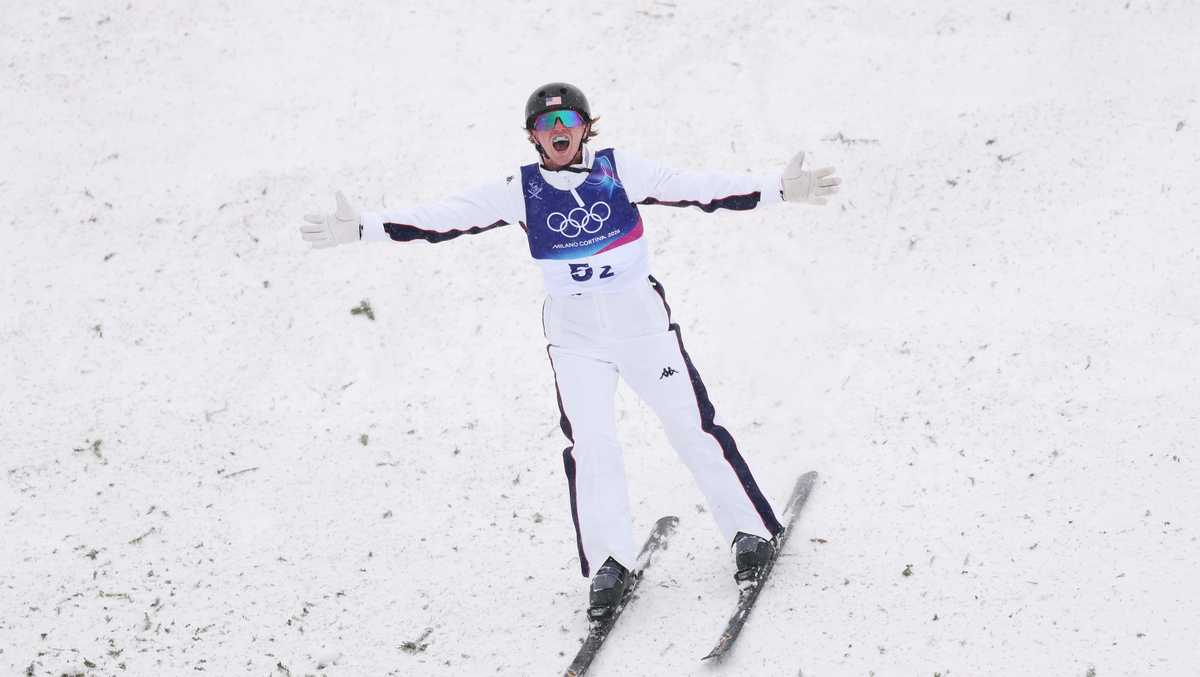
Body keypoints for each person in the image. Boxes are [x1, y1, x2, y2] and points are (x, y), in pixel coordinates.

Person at [299, 82, 840, 620]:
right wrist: (366, 227)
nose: (558, 133)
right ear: (533, 137)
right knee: (591, 445)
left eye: (567, 123)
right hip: (576, 337)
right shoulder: (520, 189)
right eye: (545, 125)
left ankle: (749, 531)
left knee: (690, 426)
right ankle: (609, 561)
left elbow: (697, 187)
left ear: (586, 128)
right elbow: (447, 217)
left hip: (641, 326)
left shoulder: (618, 169)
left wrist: (777, 188)